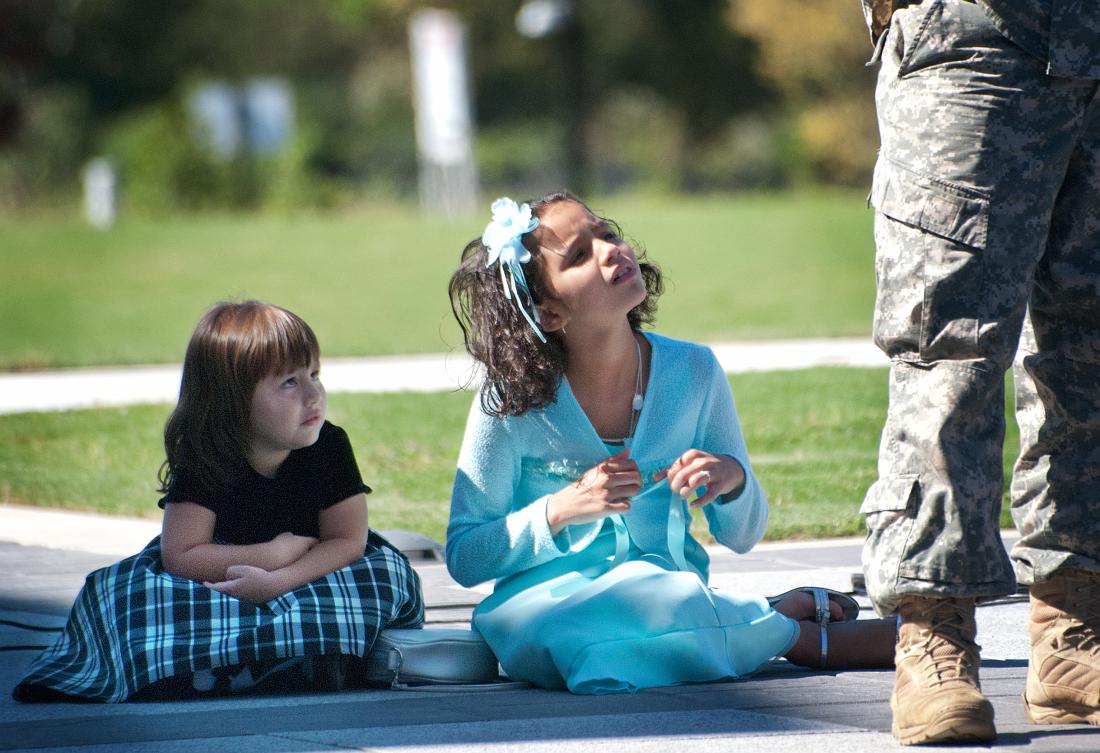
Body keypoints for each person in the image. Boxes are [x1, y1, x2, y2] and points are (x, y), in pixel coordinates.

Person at [446, 192, 896, 693]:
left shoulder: (693, 371)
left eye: (607, 233)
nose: (611, 250)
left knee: (660, 603)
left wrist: (732, 480)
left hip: (670, 593)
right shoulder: (509, 402)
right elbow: (466, 557)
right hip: (546, 609)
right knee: (582, 633)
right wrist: (562, 509)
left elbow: (743, 535)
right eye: (579, 255)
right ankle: (788, 635)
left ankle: (743, 627)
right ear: (548, 312)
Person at [859, 0, 1100, 745]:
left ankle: (1073, 625)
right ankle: (934, 632)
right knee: (950, 346)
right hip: (975, 39)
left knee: (1087, 354)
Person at [13, 301, 424, 702]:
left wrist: (277, 582)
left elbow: (347, 541)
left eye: (314, 374)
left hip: (313, 576)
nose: (313, 394)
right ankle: (294, 659)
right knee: (118, 593)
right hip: (218, 584)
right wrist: (272, 555)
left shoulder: (329, 445)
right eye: (289, 382)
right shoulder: (206, 452)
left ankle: (222, 666)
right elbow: (180, 556)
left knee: (385, 572)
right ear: (232, 399)